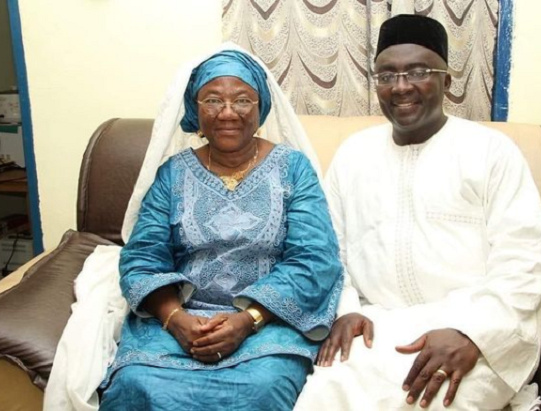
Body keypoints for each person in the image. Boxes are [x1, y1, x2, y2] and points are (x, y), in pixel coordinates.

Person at [45, 44, 343, 411]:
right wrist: (175, 320)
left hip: (267, 323)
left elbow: (314, 258)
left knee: (261, 389)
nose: (228, 113)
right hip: (177, 320)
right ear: (195, 111)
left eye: (243, 100)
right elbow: (141, 258)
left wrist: (246, 321)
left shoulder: (293, 169)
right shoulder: (172, 174)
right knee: (138, 384)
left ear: (261, 108)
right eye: (213, 100)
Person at [294, 14, 541, 411]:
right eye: (387, 75)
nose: (401, 87)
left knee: (428, 403)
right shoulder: (353, 155)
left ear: (447, 80)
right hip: (377, 331)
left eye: (418, 71)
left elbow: (527, 261)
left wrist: (472, 334)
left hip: (474, 331)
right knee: (318, 397)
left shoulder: (491, 151)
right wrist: (345, 310)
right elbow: (330, 249)